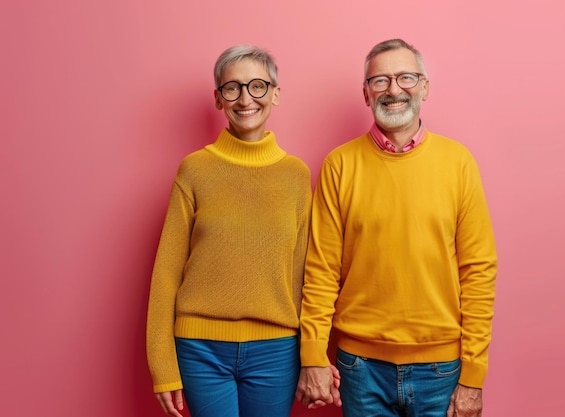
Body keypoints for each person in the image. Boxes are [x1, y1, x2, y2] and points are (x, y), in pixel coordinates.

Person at [295, 39, 498, 417]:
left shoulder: (458, 163)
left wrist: (474, 375)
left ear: (424, 87)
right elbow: (321, 270)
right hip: (359, 368)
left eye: (406, 77)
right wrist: (312, 355)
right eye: (380, 80)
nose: (393, 90)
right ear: (365, 93)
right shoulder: (339, 165)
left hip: (441, 370)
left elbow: (478, 271)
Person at [146, 44, 312, 417]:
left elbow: (302, 274)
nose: (245, 98)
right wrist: (163, 367)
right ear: (219, 99)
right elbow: (166, 273)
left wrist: (312, 355)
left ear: (275, 93)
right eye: (232, 88)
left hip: (277, 350)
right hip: (200, 348)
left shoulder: (296, 176)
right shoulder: (194, 170)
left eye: (257, 85)